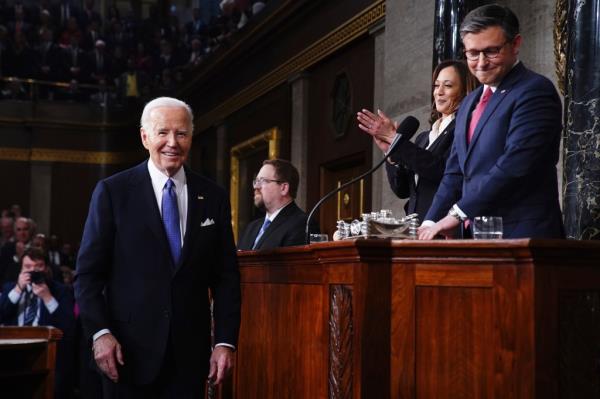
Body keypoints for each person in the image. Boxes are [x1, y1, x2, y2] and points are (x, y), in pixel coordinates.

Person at [74, 97, 241, 397]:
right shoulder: (113, 192)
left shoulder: (213, 196)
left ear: (191, 136)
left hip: (189, 359)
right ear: (145, 136)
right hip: (125, 355)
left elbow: (226, 278)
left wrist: (225, 342)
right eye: (163, 132)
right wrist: (100, 333)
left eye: (182, 133)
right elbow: (88, 275)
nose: (172, 142)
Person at [418, 4, 564, 240]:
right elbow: (455, 171)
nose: (481, 62)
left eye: (491, 51)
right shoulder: (468, 103)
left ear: (515, 44)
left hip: (523, 238)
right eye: (472, 53)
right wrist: (430, 222)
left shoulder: (534, 91)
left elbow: (515, 165)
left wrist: (456, 214)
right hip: (474, 239)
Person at [357, 60, 476, 220]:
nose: (439, 92)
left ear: (465, 91)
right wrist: (391, 153)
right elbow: (402, 190)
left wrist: (395, 139)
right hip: (416, 228)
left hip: (444, 226)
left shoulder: (463, 129)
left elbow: (441, 170)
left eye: (447, 86)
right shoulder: (423, 138)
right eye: (436, 85)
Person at [0, 246, 76, 398]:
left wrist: (48, 298)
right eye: (28, 267)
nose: (33, 271)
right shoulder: (10, 288)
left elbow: (68, 326)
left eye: (38, 266)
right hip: (12, 351)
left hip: (46, 351)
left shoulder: (61, 291)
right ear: (21, 269)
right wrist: (18, 289)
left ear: (46, 268)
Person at [237, 159, 317, 250]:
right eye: (256, 181)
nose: (256, 186)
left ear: (283, 188)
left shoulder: (302, 225)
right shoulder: (251, 228)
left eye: (263, 181)